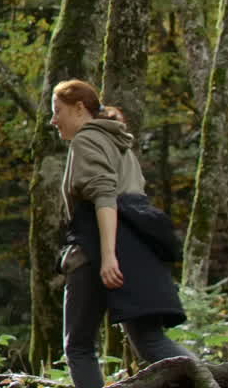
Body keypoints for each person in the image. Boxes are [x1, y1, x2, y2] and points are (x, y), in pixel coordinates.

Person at [52, 79, 191, 388]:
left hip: (96, 251)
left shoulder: (86, 140)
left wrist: (108, 256)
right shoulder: (121, 145)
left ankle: (209, 379)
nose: (53, 120)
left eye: (57, 110)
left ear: (79, 108)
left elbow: (104, 197)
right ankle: (208, 378)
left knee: (78, 346)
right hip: (137, 252)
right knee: (151, 341)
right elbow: (134, 200)